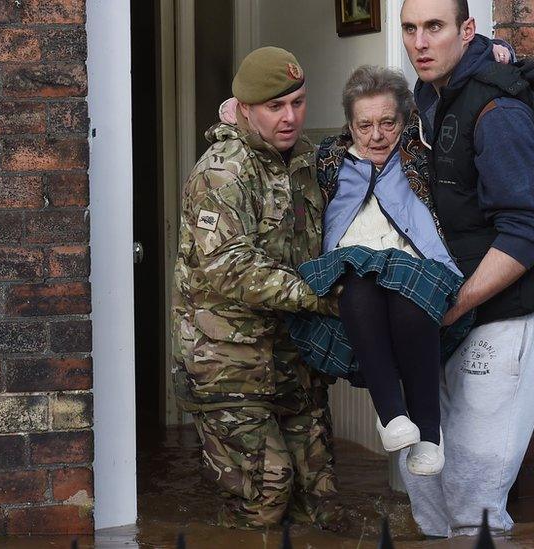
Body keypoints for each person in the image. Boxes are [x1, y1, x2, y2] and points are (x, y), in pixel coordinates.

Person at [397, 0, 534, 537]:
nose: (420, 43)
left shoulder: (496, 111)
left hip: (516, 305)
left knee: (472, 497)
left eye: (435, 27)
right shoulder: (432, 95)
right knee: (426, 485)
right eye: (411, 29)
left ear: (468, 30)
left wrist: (448, 306)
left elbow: (528, 232)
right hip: (466, 302)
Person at [171, 46, 340, 529]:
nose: (290, 117)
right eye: (275, 107)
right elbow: (230, 268)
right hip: (228, 364)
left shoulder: (306, 159)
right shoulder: (222, 171)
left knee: (320, 497)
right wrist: (321, 296)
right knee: (266, 493)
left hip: (294, 360)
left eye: (299, 103)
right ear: (244, 108)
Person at [285, 65, 475, 478]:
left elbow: (455, 95)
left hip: (419, 274)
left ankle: (429, 433)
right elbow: (271, 142)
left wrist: (501, 51)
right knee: (358, 285)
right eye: (364, 125)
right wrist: (233, 111)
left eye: (387, 123)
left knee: (408, 297)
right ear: (349, 126)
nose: (376, 136)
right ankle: (391, 415)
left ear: (404, 121)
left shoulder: (424, 154)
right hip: (354, 276)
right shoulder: (329, 163)